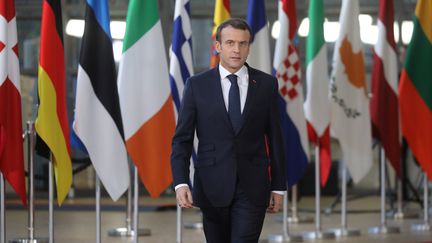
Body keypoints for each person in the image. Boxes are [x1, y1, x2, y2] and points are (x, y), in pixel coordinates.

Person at [171, 18, 286, 243]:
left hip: (252, 188)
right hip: (212, 185)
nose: (237, 49)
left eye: (243, 43)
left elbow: (275, 139)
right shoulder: (197, 85)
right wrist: (181, 182)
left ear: (249, 47)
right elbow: (182, 139)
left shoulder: (266, 85)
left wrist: (278, 187)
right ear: (218, 46)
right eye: (230, 43)